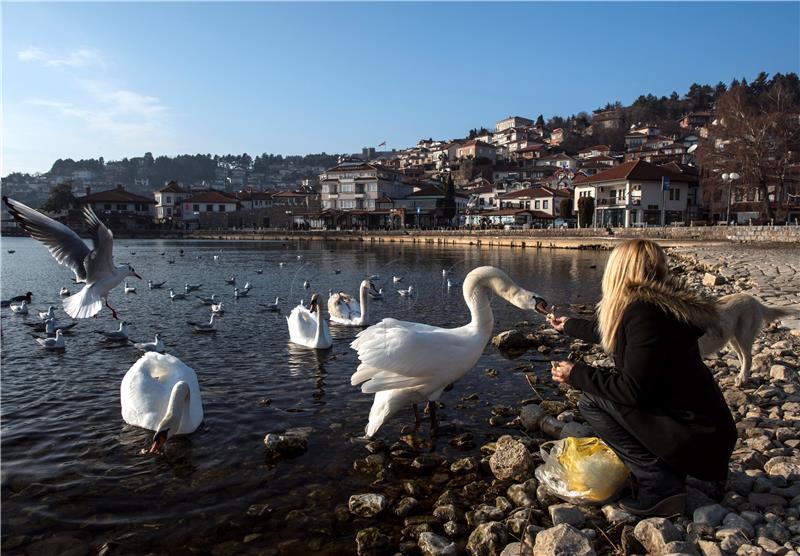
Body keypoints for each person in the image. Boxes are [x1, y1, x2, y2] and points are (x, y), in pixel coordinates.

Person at [547, 239, 736, 517]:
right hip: (710, 437)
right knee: (601, 390)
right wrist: (570, 326)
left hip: (698, 441)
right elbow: (625, 338)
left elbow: (632, 391)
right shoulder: (664, 308)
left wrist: (576, 374)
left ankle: (659, 485)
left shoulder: (644, 314)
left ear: (619, 271)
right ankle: (672, 470)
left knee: (591, 399)